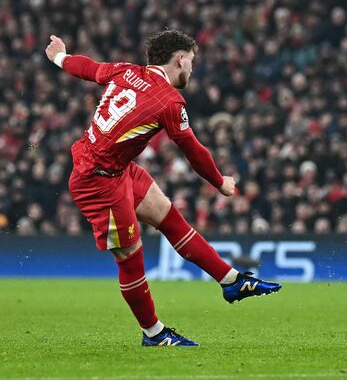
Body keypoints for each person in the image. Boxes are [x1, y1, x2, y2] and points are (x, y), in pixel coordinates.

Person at [44, 30, 281, 347]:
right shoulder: (169, 101)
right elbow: (194, 151)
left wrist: (60, 56)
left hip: (118, 169)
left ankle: (232, 280)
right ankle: (154, 334)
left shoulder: (127, 71)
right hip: (97, 182)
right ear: (180, 59)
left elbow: (88, 68)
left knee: (166, 214)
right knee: (130, 257)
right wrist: (221, 183)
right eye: (192, 62)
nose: (192, 70)